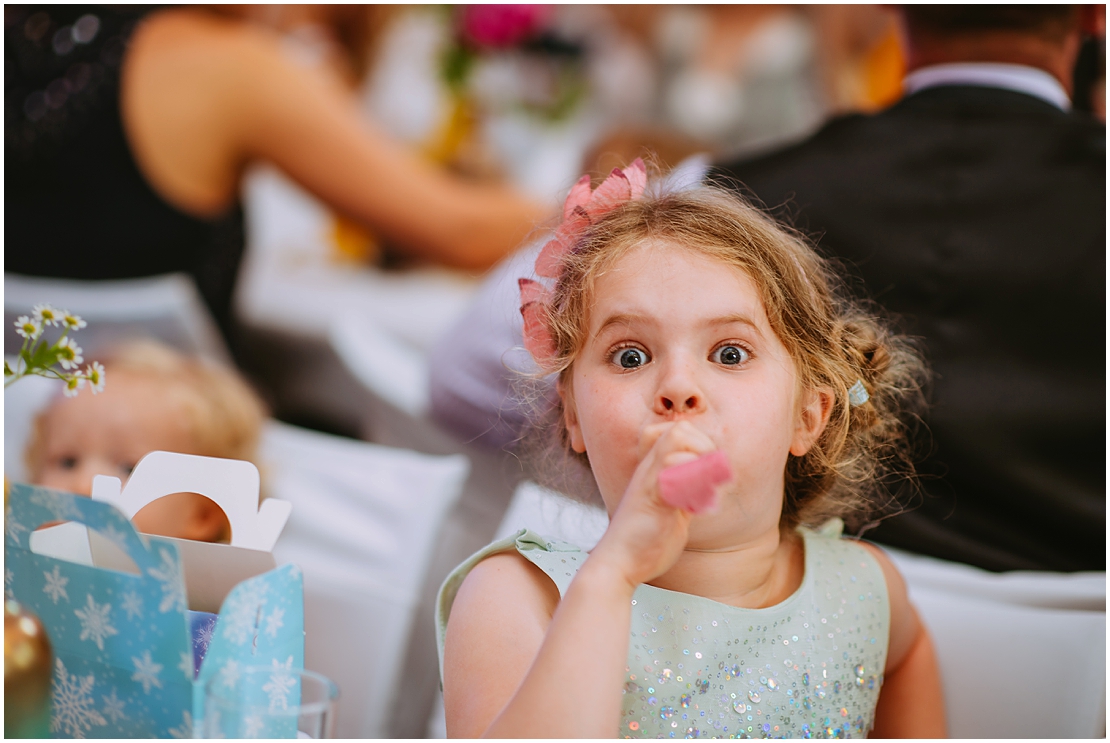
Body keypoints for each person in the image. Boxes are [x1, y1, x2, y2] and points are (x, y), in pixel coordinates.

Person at [429, 5, 1105, 573]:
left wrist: (608, 428)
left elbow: (464, 369)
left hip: (767, 583)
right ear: (1092, 16)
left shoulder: (731, 189)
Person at [436, 163, 945, 738]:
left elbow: (906, 654)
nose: (678, 386)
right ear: (574, 414)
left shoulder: (864, 591)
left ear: (808, 416)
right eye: (631, 356)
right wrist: (612, 578)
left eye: (729, 354)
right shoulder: (519, 600)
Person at [5, 6, 548, 344]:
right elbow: (457, 229)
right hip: (169, 463)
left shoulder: (24, 34)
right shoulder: (229, 67)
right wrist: (612, 197)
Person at [24, 339, 266, 543]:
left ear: (202, 516)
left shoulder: (202, 600)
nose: (83, 486)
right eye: (67, 462)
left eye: (129, 469)